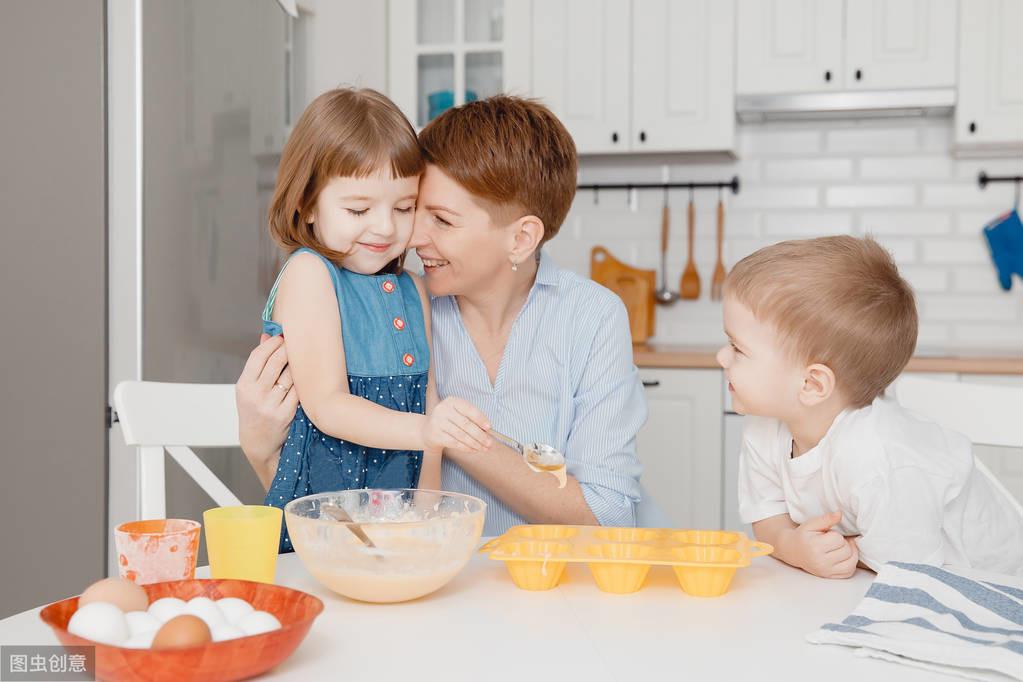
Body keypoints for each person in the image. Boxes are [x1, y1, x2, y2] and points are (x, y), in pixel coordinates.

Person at [238, 95, 645, 535]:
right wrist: (260, 446)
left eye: (439, 219)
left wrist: (452, 440)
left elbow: (608, 514)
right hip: (410, 566)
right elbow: (323, 464)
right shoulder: (390, 299)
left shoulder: (590, 317)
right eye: (417, 210)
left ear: (521, 238)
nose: (408, 235)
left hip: (536, 584)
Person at [257, 87, 491, 551]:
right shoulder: (310, 274)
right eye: (359, 209)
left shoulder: (413, 290)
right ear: (306, 204)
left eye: (404, 208)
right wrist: (425, 429)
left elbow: (426, 400)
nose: (385, 227)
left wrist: (427, 514)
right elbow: (328, 406)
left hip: (396, 520)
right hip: (324, 515)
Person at [719, 235, 1023, 577]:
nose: (721, 357)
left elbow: (909, 568)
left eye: (737, 348)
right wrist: (793, 547)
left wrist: (842, 552)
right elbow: (768, 517)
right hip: (896, 574)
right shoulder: (764, 427)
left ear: (812, 384)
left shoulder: (878, 456)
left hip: (994, 584)